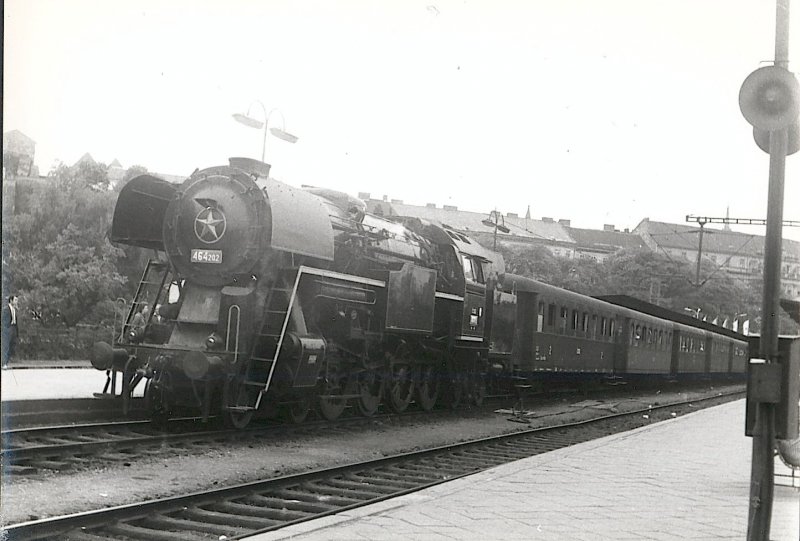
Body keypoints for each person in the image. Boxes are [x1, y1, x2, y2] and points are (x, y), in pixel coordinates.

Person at [2, 295, 20, 368]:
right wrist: (5, 329)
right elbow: (3, 320)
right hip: (8, 328)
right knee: (6, 346)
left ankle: (6, 362)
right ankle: (4, 363)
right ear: (11, 300)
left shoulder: (15, 309)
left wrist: (16, 332)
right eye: (15, 300)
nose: (16, 302)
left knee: (12, 346)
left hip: (13, 328)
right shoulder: (6, 309)